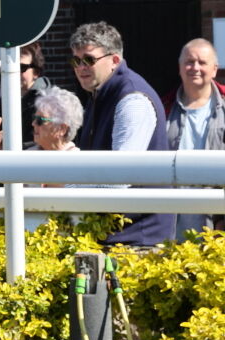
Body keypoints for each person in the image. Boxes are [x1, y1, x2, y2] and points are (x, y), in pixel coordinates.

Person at [71, 21, 173, 246]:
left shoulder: (132, 99)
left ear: (115, 60)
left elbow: (120, 178)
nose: (81, 67)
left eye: (89, 59)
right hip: (114, 234)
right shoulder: (99, 94)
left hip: (138, 240)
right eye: (76, 61)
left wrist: (65, 188)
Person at [162, 38, 225, 236]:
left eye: (202, 62)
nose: (195, 67)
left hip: (216, 219)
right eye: (189, 62)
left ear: (214, 69)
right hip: (171, 220)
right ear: (180, 68)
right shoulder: (164, 108)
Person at [0, 40, 56, 150]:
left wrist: (5, 144)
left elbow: (39, 141)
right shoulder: (6, 97)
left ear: (36, 72)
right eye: (9, 67)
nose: (15, 72)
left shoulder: (45, 102)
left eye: (22, 68)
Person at [28, 86, 84, 152]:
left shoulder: (78, 160)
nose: (33, 124)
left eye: (40, 120)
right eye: (34, 118)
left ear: (62, 129)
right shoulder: (25, 157)